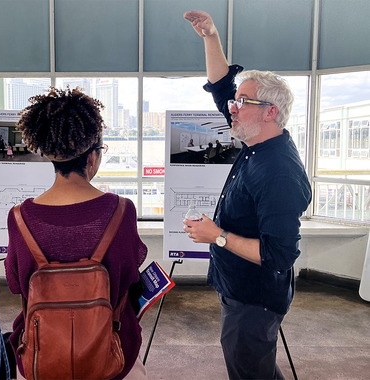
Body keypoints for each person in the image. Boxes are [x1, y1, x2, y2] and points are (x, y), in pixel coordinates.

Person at [183, 11, 312, 380]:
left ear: (271, 112)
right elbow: (222, 85)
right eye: (235, 101)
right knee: (256, 368)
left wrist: (216, 236)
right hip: (238, 288)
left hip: (255, 300)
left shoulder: (280, 172)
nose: (231, 107)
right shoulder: (255, 138)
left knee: (249, 371)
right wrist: (210, 37)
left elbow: (279, 255)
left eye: (242, 102)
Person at [5, 87, 148, 379]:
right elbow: (130, 275)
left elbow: (17, 284)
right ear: (93, 157)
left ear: (50, 155)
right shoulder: (122, 211)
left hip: (42, 353)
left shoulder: (19, 217)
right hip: (110, 349)